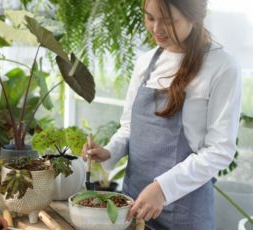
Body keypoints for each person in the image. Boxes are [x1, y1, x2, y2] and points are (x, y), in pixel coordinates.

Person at [82, 0, 242, 229]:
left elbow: (220, 151)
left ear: (194, 16)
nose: (156, 29)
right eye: (150, 18)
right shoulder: (145, 62)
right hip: (133, 206)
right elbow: (129, 127)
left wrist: (162, 189)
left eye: (168, 21)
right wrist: (109, 151)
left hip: (186, 215)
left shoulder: (222, 66)